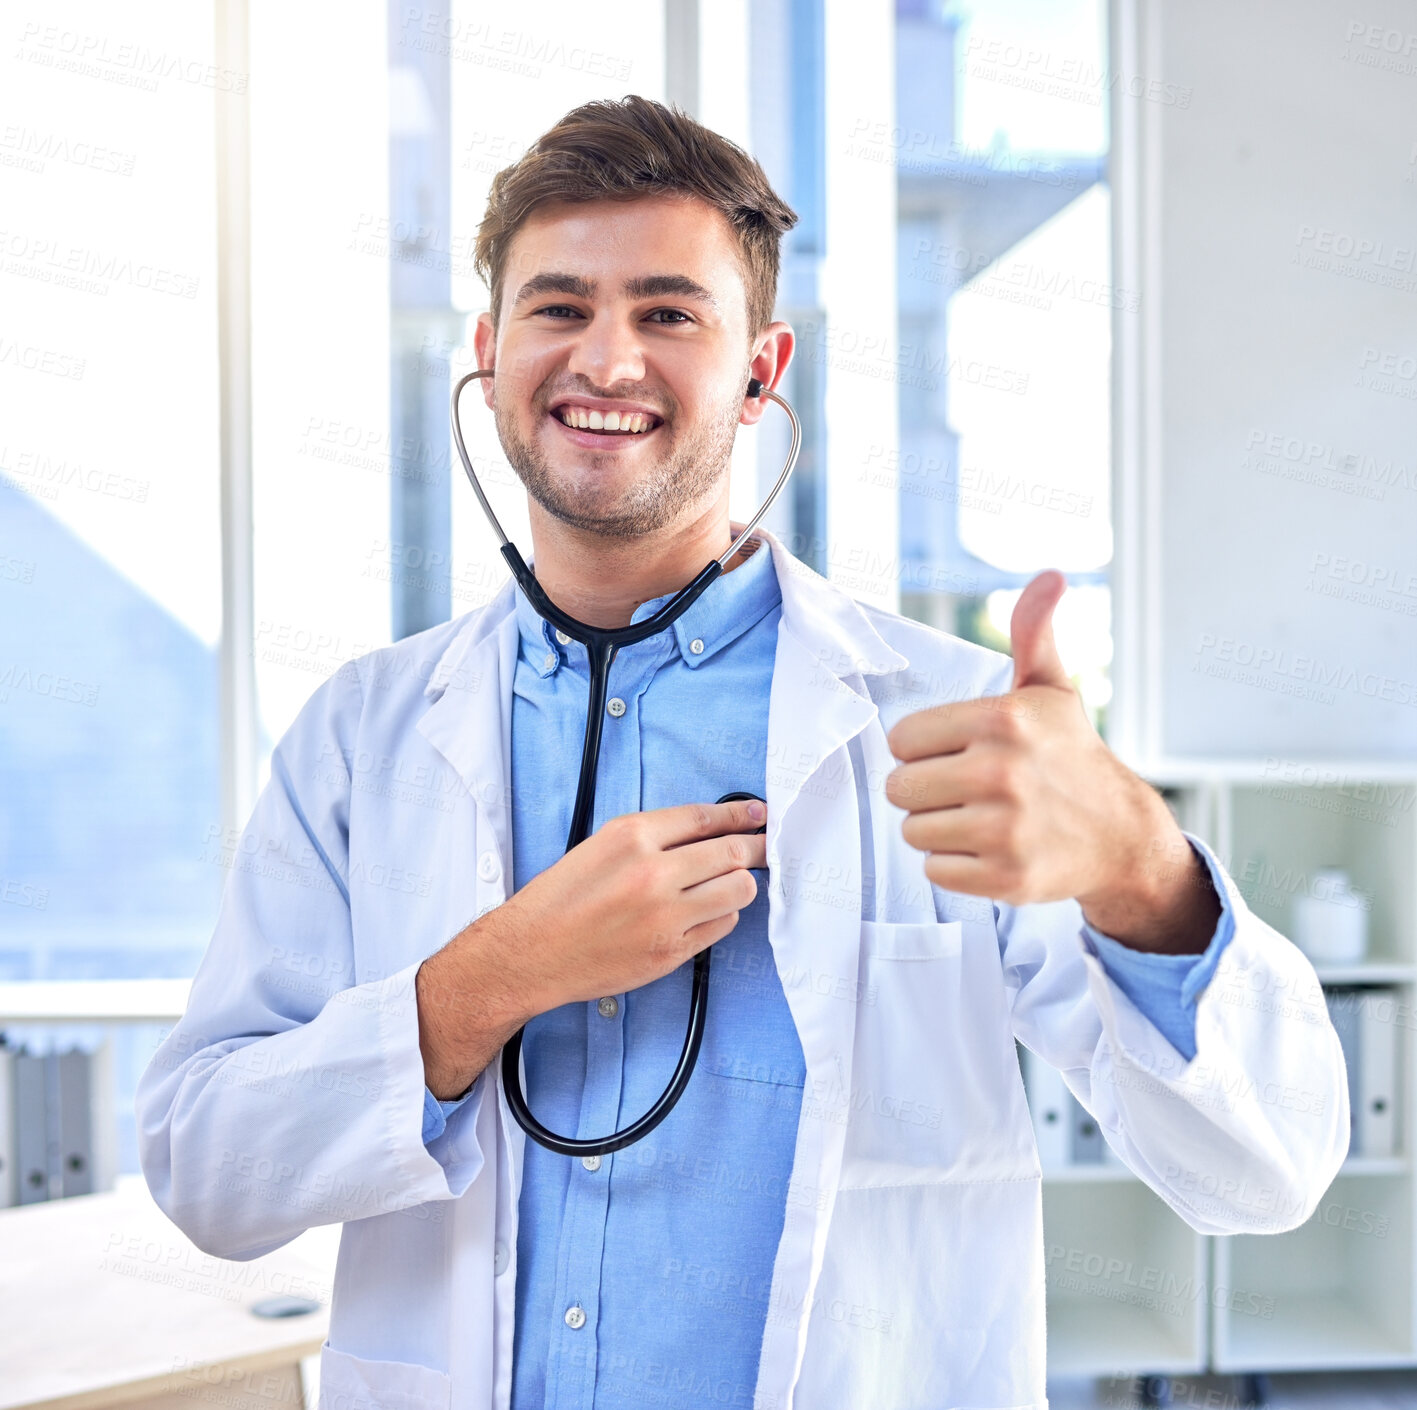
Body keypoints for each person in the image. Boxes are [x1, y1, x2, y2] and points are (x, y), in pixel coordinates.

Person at [137, 96, 1348, 1410]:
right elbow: (208, 1169)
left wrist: (1134, 863)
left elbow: (1261, 1168)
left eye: (667, 311)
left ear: (763, 368)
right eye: (559, 307)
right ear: (487, 353)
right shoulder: (363, 736)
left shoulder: (940, 724)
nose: (605, 359)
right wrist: (489, 978)